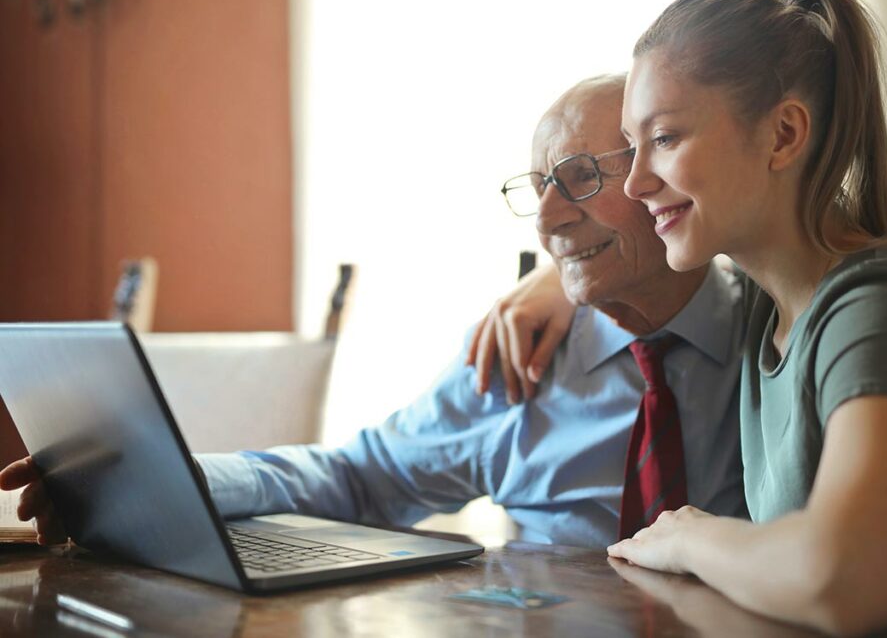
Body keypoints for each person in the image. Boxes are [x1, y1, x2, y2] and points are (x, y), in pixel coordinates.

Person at [474, 0, 887, 636]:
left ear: (784, 134)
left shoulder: (881, 311)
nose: (636, 181)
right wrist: (563, 282)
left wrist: (687, 537)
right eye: (632, 144)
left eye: (666, 138)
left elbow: (844, 579)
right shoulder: (772, 310)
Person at [0, 74, 747, 550]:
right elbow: (360, 476)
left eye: (580, 177)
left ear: (666, 172)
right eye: (539, 185)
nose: (546, 219)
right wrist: (170, 478)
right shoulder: (518, 357)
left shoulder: (781, 328)